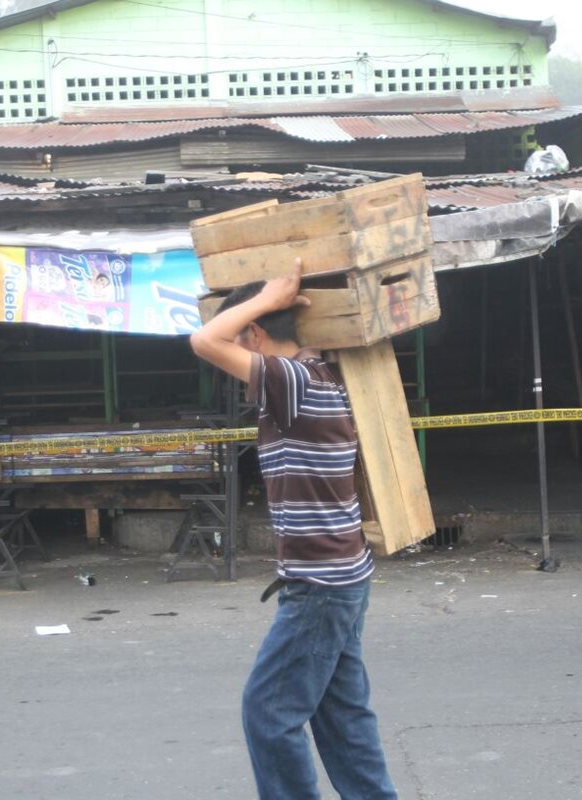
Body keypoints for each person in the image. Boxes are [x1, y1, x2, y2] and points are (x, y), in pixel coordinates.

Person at [189, 259, 397, 799]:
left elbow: (205, 340)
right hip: (343, 577)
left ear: (255, 332)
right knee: (343, 719)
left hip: (321, 586)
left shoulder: (292, 380)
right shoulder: (318, 375)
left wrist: (266, 297)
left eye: (246, 332)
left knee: (269, 713)